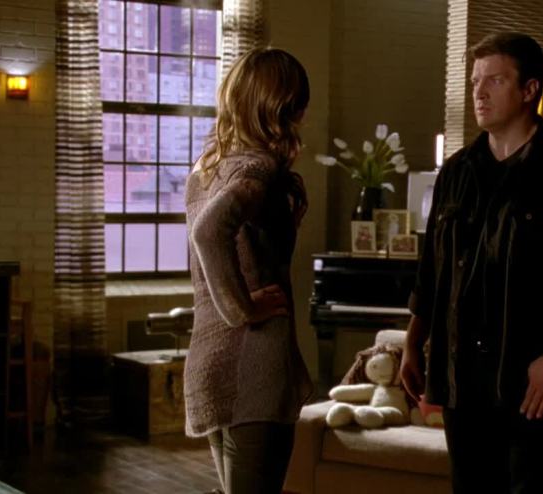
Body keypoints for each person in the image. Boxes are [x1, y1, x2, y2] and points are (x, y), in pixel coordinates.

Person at [400, 32, 543, 493]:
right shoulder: (456, 172)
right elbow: (431, 268)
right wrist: (413, 341)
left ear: (530, 89)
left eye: (494, 80)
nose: (479, 92)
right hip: (461, 380)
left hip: (531, 378)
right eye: (476, 81)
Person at [183, 47, 313, 494]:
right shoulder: (258, 167)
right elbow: (209, 232)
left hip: (210, 360)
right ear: (284, 106)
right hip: (254, 364)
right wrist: (243, 309)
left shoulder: (206, 168)